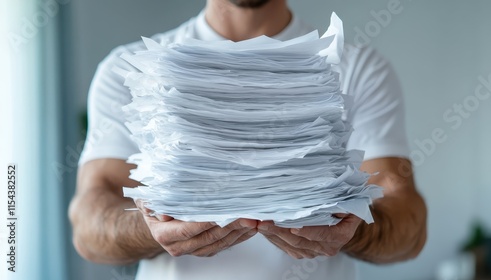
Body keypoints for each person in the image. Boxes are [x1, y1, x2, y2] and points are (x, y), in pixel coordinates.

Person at [69, 0, 427, 279]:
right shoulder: (132, 70)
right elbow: (89, 227)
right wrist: (148, 230)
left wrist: (353, 232)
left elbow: (408, 226)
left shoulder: (358, 68)